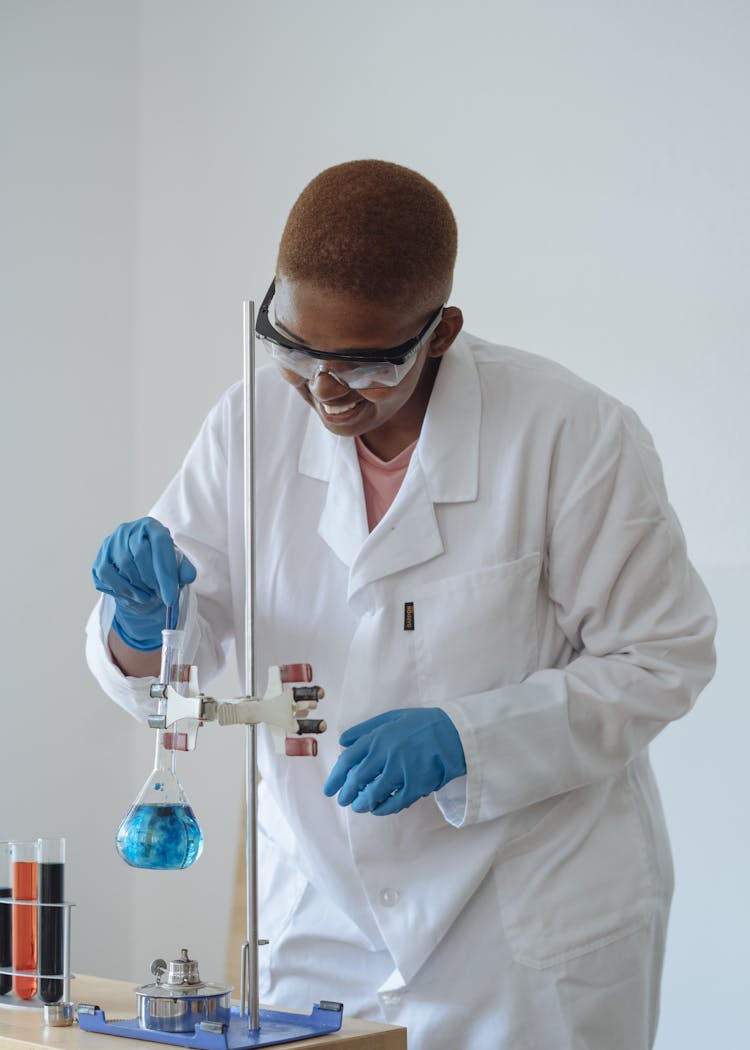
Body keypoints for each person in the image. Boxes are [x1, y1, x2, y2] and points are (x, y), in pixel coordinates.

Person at [87, 159, 716, 1050]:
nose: (328, 390)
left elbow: (663, 657)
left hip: (523, 926)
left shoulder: (569, 435)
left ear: (442, 333)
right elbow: (186, 646)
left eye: (368, 363)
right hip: (321, 920)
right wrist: (142, 626)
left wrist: (471, 737)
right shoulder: (252, 422)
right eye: (298, 351)